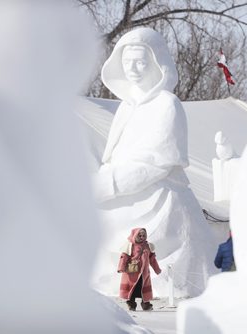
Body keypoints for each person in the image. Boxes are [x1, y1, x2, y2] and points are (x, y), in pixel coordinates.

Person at [91, 27, 217, 298]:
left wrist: (110, 183)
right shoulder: (126, 107)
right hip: (124, 193)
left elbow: (157, 163)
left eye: (140, 61)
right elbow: (113, 155)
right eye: (127, 62)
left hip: (158, 197)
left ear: (156, 63)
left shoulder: (167, 105)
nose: (133, 69)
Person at [117, 228, 161, 311]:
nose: (142, 237)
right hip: (132, 272)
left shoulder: (148, 245)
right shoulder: (130, 245)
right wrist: (121, 267)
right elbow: (124, 257)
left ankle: (146, 304)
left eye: (144, 235)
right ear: (135, 235)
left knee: (143, 288)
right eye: (139, 235)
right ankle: (131, 304)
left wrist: (157, 269)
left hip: (144, 273)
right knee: (132, 289)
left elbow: (152, 259)